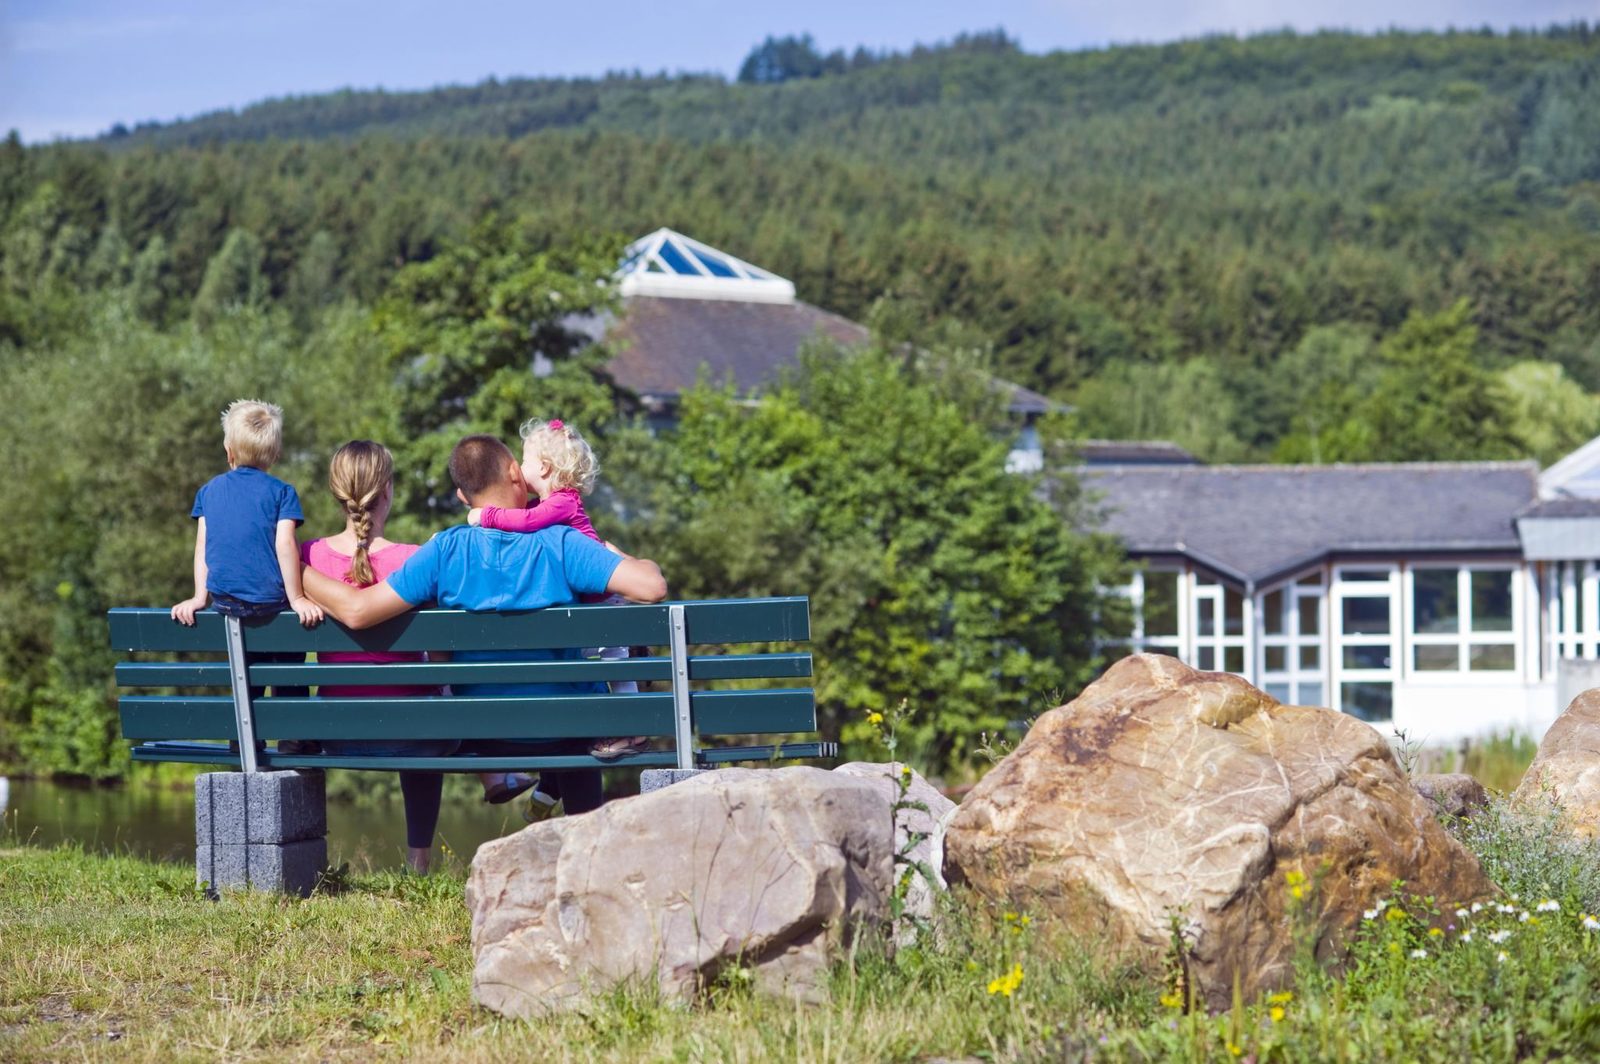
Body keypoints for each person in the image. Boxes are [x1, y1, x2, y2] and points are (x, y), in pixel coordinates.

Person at [300, 434, 668, 817]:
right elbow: (651, 587)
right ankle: (585, 842)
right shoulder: (563, 542)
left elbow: (358, 611)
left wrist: (295, 567)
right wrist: (628, 556)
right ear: (514, 473)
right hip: (568, 728)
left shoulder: (444, 551)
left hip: (482, 734)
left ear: (462, 497)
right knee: (582, 710)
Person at [299, 440, 533, 874]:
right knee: (429, 701)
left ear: (336, 492)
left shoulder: (304, 557)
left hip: (334, 731)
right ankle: (419, 861)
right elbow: (444, 654)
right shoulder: (417, 558)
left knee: (424, 704)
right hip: (418, 736)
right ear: (388, 489)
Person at [467, 416, 646, 761]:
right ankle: (620, 729)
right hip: (593, 600)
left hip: (603, 600)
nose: (518, 467)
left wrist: (484, 516)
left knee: (615, 666)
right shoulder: (551, 504)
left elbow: (526, 522)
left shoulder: (563, 501)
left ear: (545, 468)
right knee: (603, 664)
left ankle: (633, 731)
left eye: (525, 459)